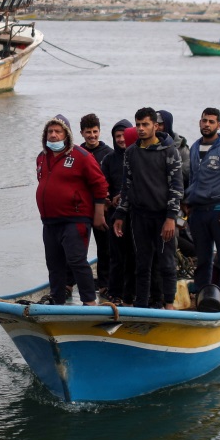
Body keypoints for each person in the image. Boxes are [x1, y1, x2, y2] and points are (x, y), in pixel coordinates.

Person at [113, 107, 183, 309]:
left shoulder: (170, 151)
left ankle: (168, 304)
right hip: (139, 216)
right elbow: (127, 186)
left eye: (145, 124)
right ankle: (141, 305)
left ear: (155, 125)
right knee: (141, 264)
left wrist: (171, 217)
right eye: (138, 125)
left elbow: (177, 187)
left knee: (167, 263)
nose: (141, 129)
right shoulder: (131, 152)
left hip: (163, 216)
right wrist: (120, 214)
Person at [35, 114, 109, 305]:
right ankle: (57, 300)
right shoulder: (42, 158)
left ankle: (89, 302)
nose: (53, 135)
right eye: (50, 131)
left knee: (77, 262)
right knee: (54, 264)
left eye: (57, 131)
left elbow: (100, 183)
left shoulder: (82, 156)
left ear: (66, 134)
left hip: (75, 219)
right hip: (50, 222)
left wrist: (98, 213)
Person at [185, 107, 220, 308]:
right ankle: (203, 293)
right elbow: (192, 179)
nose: (207, 124)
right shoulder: (194, 148)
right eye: (204, 121)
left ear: (218, 125)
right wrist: (189, 203)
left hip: (219, 211)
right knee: (203, 258)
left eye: (211, 121)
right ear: (199, 122)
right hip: (199, 212)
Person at [100, 119, 134, 303]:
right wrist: (107, 197)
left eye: (124, 135)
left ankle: (131, 292)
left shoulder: (138, 156)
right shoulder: (109, 160)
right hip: (115, 214)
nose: (121, 140)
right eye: (117, 136)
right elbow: (102, 185)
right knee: (116, 256)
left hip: (136, 214)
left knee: (134, 255)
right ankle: (115, 292)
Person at [79, 113, 113, 293]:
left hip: (103, 210)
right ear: (81, 133)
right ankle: (75, 281)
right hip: (82, 209)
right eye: (88, 132)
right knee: (78, 249)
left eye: (95, 131)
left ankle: (104, 283)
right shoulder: (77, 153)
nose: (92, 136)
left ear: (100, 131)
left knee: (105, 248)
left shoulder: (108, 153)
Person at [157, 109, 191, 187]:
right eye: (154, 124)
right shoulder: (149, 146)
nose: (157, 127)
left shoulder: (182, 148)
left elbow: (186, 173)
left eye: (160, 124)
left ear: (167, 125)